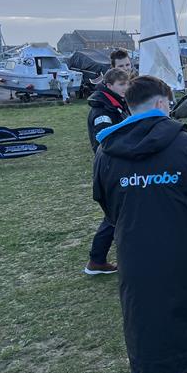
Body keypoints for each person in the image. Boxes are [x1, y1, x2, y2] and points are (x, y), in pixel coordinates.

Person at [93, 76, 187, 373]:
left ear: (130, 106)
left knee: (144, 340)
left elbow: (110, 209)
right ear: (163, 104)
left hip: (136, 263)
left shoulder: (106, 154)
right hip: (185, 258)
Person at [83, 67, 130, 275]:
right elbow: (105, 140)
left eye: (127, 84)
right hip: (111, 167)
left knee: (117, 215)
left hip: (115, 165)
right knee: (114, 216)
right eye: (121, 85)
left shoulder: (115, 105)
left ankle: (98, 259)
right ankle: (96, 260)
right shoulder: (103, 110)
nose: (125, 88)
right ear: (109, 86)